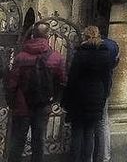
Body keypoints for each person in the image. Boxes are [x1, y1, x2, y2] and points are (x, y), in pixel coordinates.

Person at [4, 21, 67, 162]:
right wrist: (54, 99)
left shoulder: (21, 57)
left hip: (22, 104)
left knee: (17, 142)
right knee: (38, 142)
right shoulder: (56, 57)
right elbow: (62, 80)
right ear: (48, 35)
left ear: (33, 35)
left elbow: (12, 83)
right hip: (43, 105)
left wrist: (11, 101)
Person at [62, 26, 115, 162]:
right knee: (89, 132)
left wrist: (66, 100)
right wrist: (104, 95)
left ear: (84, 37)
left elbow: (72, 78)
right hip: (97, 96)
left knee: (77, 132)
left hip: (79, 97)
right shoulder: (105, 54)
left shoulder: (81, 54)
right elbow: (107, 77)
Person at [95, 32, 119, 162]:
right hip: (104, 90)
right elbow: (115, 63)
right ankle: (105, 156)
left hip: (87, 92)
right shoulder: (113, 46)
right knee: (103, 123)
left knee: (87, 126)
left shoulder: (84, 49)